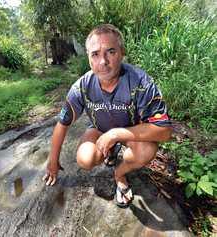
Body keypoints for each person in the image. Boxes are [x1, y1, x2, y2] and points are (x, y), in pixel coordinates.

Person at [43, 24, 172, 208]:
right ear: (89, 59)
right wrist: (52, 161)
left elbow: (164, 130)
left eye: (110, 51)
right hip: (99, 128)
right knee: (85, 158)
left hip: (131, 130)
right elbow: (62, 124)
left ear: (122, 52)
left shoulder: (141, 82)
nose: (103, 61)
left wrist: (115, 135)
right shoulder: (81, 87)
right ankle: (110, 151)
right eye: (95, 54)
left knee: (146, 151)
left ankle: (119, 174)